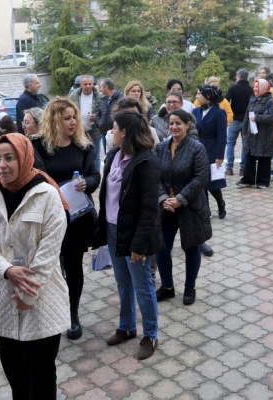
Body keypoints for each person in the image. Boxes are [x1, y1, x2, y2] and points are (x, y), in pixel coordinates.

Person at [0, 133, 70, 400]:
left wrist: (28, 294)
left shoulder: (47, 194)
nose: (2, 165)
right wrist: (6, 270)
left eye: (10, 157)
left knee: (40, 379)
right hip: (4, 298)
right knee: (16, 378)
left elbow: (50, 250)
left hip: (40, 301)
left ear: (24, 157)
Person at [94, 111, 162, 360]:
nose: (111, 132)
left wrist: (140, 244)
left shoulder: (147, 162)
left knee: (142, 285)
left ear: (125, 132)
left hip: (135, 234)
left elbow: (149, 209)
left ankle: (151, 335)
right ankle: (127, 327)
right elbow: (107, 196)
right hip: (113, 229)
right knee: (122, 282)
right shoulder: (113, 154)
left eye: (114, 128)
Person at [30, 98, 98, 341]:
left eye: (74, 117)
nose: (72, 122)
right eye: (67, 118)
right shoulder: (38, 145)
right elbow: (33, 176)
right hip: (49, 216)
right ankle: (48, 309)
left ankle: (72, 314)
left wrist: (86, 183)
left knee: (73, 265)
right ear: (54, 120)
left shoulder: (83, 145)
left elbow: (95, 175)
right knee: (49, 265)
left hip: (77, 218)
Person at [154, 109, 211, 305]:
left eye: (178, 123)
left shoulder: (197, 148)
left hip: (190, 205)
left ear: (187, 125)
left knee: (191, 247)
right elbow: (156, 176)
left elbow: (201, 177)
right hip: (166, 207)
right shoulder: (161, 148)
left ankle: (189, 287)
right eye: (171, 123)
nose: (174, 127)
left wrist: (180, 198)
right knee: (162, 248)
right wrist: (163, 198)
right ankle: (168, 287)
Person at [193, 84, 228, 219]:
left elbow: (222, 136)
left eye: (199, 94)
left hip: (212, 149)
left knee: (211, 182)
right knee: (201, 182)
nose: (197, 97)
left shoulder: (219, 113)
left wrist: (219, 156)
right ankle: (205, 210)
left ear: (208, 97)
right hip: (197, 148)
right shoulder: (195, 111)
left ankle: (220, 203)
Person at [238, 78, 273, 188]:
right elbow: (247, 115)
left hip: (264, 135)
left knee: (264, 158)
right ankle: (248, 180)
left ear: (263, 88)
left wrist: (257, 118)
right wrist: (244, 129)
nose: (255, 89)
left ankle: (263, 181)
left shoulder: (270, 101)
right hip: (252, 135)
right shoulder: (252, 98)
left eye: (257, 87)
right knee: (249, 156)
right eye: (254, 87)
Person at [224, 69, 254, 176]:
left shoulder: (233, 88)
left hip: (234, 120)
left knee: (231, 144)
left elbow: (225, 100)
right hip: (247, 121)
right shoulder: (251, 90)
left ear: (239, 77)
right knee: (245, 145)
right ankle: (243, 169)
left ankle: (229, 168)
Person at [69, 75, 103, 156]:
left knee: (95, 154)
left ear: (93, 84)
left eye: (90, 84)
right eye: (85, 84)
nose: (88, 86)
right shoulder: (73, 96)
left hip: (95, 130)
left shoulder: (100, 96)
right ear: (81, 85)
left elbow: (104, 112)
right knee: (80, 153)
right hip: (79, 129)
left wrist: (96, 117)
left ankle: (96, 169)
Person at [95, 78, 124, 167]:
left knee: (118, 155)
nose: (99, 89)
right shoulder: (103, 99)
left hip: (116, 132)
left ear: (105, 87)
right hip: (104, 132)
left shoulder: (121, 98)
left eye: (101, 87)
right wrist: (98, 122)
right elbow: (100, 113)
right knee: (109, 155)